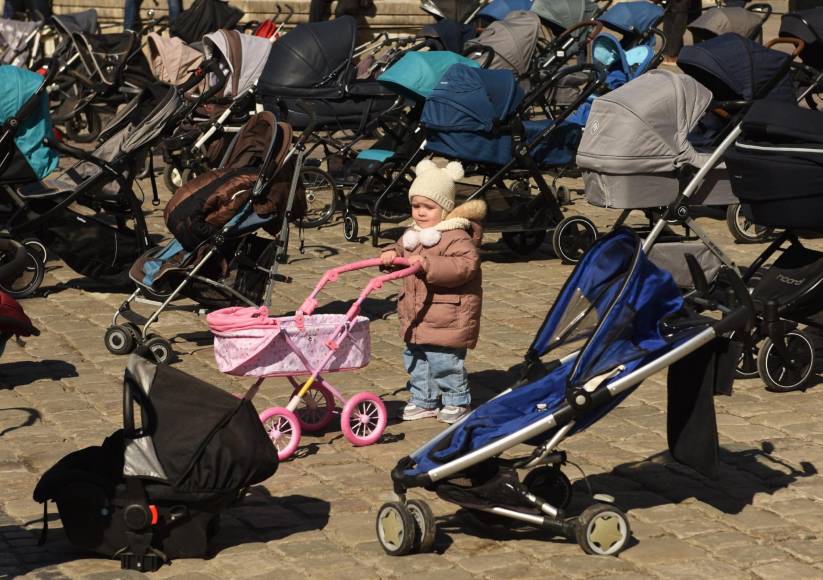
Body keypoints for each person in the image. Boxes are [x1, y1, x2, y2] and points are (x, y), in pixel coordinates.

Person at [380, 160, 486, 424]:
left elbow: (465, 266)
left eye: (428, 207)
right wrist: (391, 254)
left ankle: (457, 400)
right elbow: (402, 251)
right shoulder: (413, 235)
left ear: (445, 208)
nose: (420, 213)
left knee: (444, 360)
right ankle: (423, 399)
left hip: (446, 314)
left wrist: (428, 265)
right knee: (416, 359)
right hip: (417, 312)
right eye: (416, 206)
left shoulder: (455, 236)